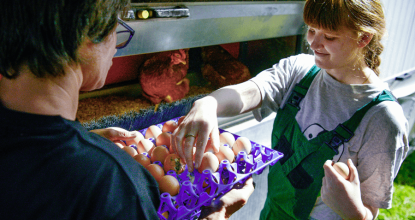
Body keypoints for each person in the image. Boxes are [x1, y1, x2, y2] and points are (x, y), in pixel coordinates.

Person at [0, 0, 253, 219]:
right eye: (116, 30)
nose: (114, 47)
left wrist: (81, 141)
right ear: (87, 35)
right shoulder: (111, 182)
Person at [171, 0, 409, 219]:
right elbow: (253, 91)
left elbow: (369, 210)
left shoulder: (382, 118)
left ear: (363, 38)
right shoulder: (301, 71)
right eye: (312, 30)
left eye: (329, 36)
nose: (313, 43)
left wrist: (352, 210)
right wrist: (209, 103)